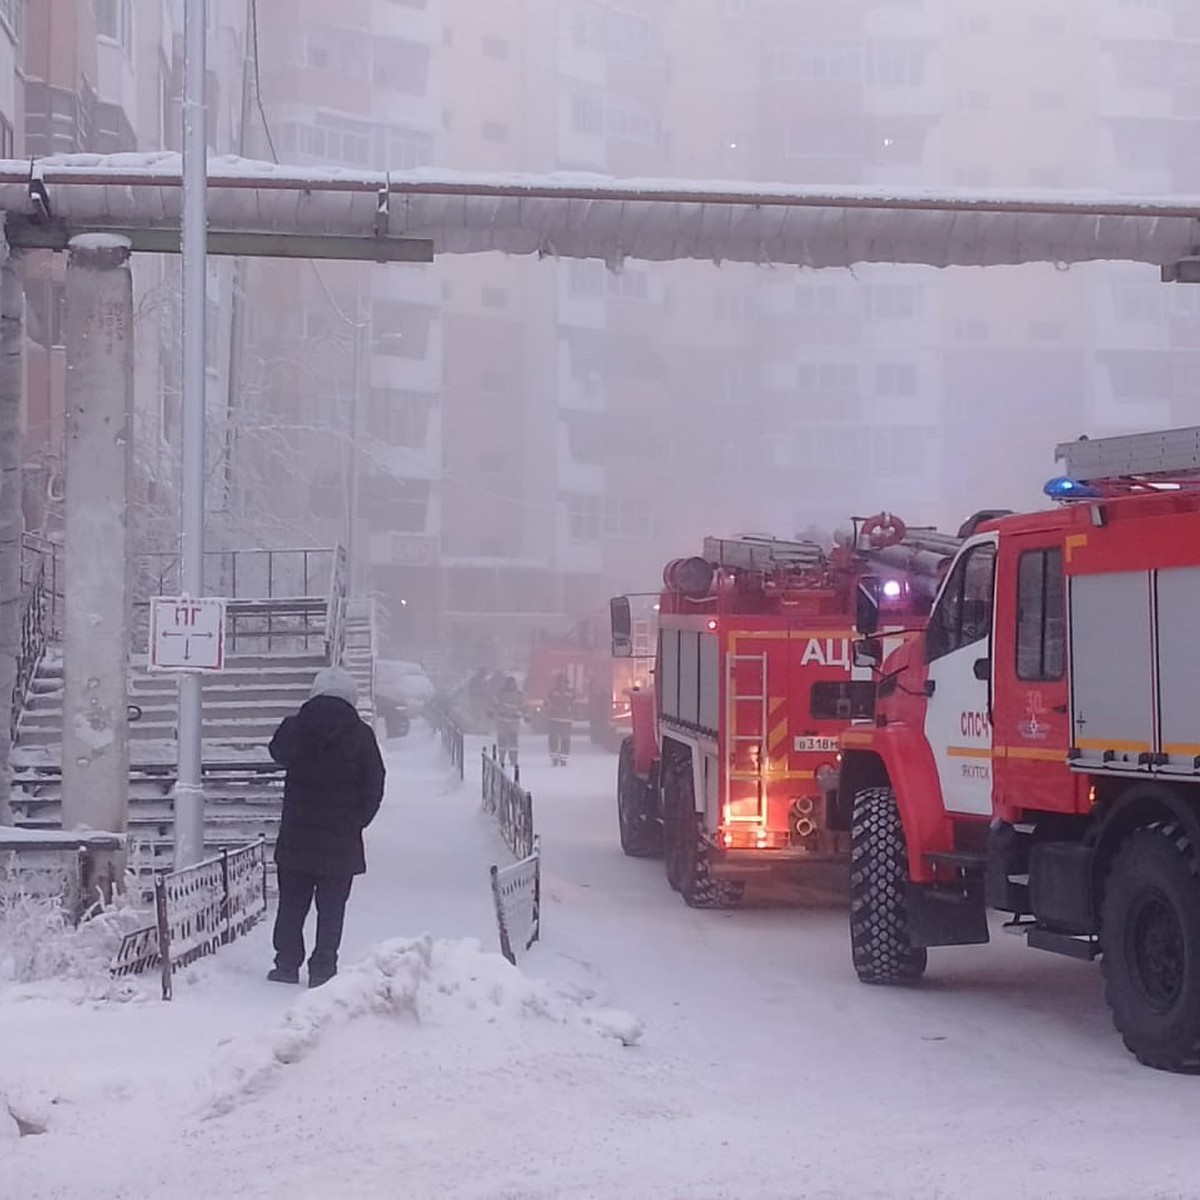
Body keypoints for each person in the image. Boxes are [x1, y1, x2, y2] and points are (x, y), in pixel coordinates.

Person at [266, 665, 386, 988]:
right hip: (341, 841)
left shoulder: (296, 727)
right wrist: (356, 821)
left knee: (291, 905)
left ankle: (286, 964)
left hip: (296, 837)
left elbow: (277, 753)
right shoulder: (361, 735)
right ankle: (323, 967)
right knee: (331, 910)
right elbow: (375, 784)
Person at [491, 675, 525, 771]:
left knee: (513, 742)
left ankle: (513, 758)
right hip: (502, 721)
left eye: (513, 684)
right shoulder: (500, 694)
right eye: (510, 684)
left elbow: (523, 706)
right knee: (502, 741)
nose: (512, 685)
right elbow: (494, 704)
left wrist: (526, 715)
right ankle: (501, 757)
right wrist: (491, 711)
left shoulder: (519, 695)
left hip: (513, 723)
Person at [544, 671, 575, 767]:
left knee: (565, 740)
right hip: (555, 718)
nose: (562, 683)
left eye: (563, 681)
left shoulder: (571, 691)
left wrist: (572, 709)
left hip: (566, 719)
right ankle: (554, 759)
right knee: (554, 740)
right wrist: (550, 707)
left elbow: (576, 703)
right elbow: (546, 702)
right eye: (560, 681)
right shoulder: (553, 691)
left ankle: (563, 759)